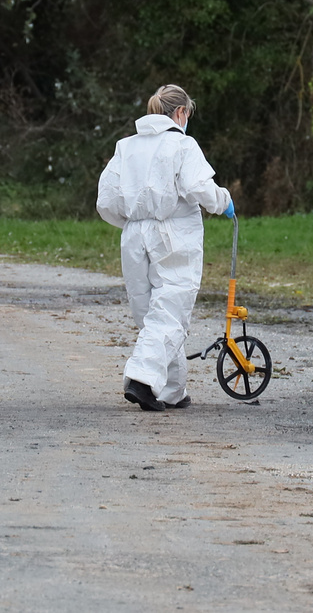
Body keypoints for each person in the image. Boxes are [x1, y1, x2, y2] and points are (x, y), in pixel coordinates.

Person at [97, 84, 234, 412]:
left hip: (133, 236)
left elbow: (106, 201)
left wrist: (133, 221)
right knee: (171, 312)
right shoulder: (182, 144)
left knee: (151, 314)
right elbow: (199, 186)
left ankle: (172, 390)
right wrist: (224, 201)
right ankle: (142, 380)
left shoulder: (125, 146)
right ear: (181, 112)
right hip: (173, 232)